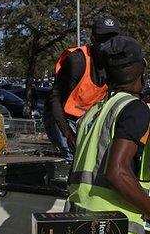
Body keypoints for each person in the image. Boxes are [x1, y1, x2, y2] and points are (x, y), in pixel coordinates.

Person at [67, 36, 150, 234]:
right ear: (142, 69)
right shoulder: (134, 109)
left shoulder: (95, 112)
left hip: (77, 231)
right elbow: (117, 172)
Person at [44, 17, 121, 158]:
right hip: (60, 115)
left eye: (112, 40)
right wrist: (67, 133)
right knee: (72, 156)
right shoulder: (77, 61)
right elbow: (54, 98)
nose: (109, 45)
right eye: (103, 40)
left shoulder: (114, 63)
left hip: (84, 117)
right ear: (93, 39)